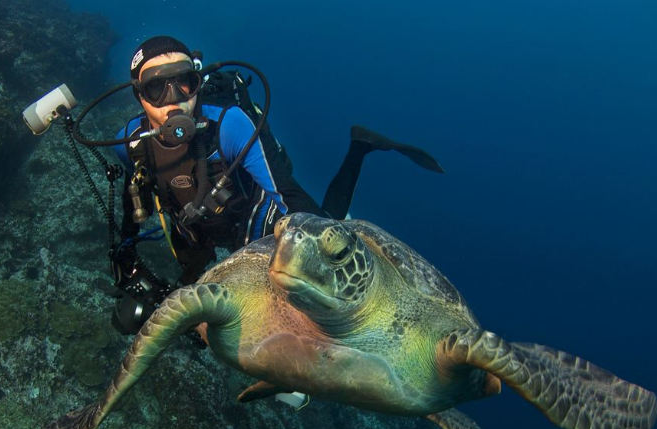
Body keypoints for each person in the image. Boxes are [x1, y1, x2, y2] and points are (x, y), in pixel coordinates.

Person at [111, 36, 440, 323]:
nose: (174, 97)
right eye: (156, 87)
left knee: (327, 226)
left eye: (185, 82)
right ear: (139, 95)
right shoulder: (131, 143)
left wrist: (324, 250)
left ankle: (360, 147)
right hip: (196, 234)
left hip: (257, 223)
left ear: (197, 83)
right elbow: (132, 199)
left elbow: (288, 195)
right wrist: (126, 256)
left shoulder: (230, 125)